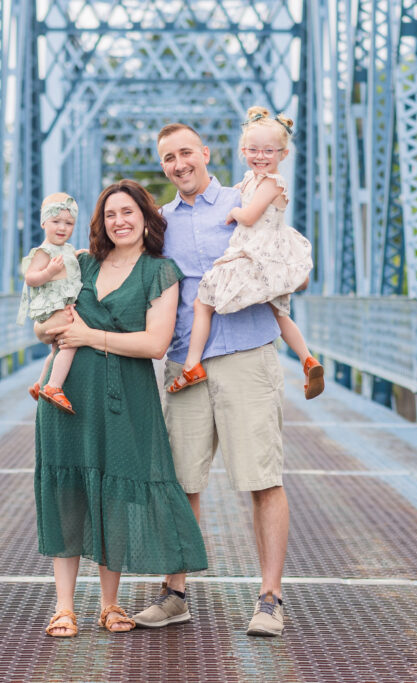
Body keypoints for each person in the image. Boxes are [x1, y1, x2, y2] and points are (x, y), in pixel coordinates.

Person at [131, 121, 292, 638]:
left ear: (205, 152)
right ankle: (175, 594)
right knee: (182, 483)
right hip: (185, 362)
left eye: (186, 153)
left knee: (262, 479)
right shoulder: (159, 224)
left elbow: (290, 260)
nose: (179, 165)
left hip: (246, 352)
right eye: (167, 159)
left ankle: (270, 599)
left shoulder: (249, 195)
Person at [32, 179, 208, 638]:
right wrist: (52, 327)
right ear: (100, 223)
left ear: (145, 217)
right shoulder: (80, 264)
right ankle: (64, 606)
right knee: (68, 493)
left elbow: (154, 343)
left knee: (116, 494)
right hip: (67, 393)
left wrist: (89, 335)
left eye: (128, 212)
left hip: (126, 396)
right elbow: (41, 321)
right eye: (110, 215)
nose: (119, 221)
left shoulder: (160, 271)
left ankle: (110, 604)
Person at [166, 107, 324, 400]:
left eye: (269, 151)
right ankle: (308, 359)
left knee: (204, 302)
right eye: (253, 150)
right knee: (279, 312)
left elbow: (248, 215)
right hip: (265, 250)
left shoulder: (271, 183)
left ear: (283, 155)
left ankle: (192, 364)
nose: (260, 156)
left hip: (258, 252)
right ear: (243, 151)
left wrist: (234, 211)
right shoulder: (251, 181)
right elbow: (243, 191)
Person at [17, 192, 83, 414]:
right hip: (51, 307)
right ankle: (53, 387)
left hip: (60, 305)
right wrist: (49, 271)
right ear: (44, 222)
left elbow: (70, 262)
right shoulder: (43, 251)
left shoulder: (66, 248)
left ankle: (40, 383)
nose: (62, 227)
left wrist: (78, 255)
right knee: (70, 342)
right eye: (56, 222)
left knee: (56, 351)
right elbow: (30, 278)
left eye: (69, 223)